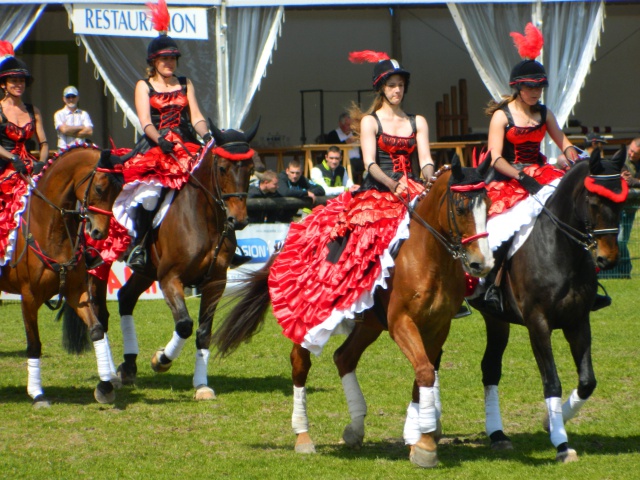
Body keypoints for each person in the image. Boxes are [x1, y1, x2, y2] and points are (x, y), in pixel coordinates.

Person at [267, 50, 435, 354]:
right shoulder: (371, 121)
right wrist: (392, 184)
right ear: (381, 88)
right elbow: (370, 164)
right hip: (379, 190)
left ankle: (449, 297)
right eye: (392, 85)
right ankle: (356, 301)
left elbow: (424, 160)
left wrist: (429, 176)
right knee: (363, 242)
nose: (397, 90)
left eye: (401, 85)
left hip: (411, 188)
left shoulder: (417, 121)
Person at [472, 23, 609, 312]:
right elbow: (495, 158)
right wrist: (521, 176)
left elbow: (565, 144)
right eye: (530, 87)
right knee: (499, 230)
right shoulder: (501, 116)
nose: (536, 92)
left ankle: (587, 283)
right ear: (518, 87)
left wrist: (580, 160)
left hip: (541, 172)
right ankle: (493, 288)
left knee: (576, 213)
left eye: (539, 87)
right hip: (508, 178)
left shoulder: (545, 113)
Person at [114, 0, 213, 271]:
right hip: (156, 146)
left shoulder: (185, 83)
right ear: (154, 62)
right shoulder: (143, 85)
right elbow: (145, 122)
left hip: (186, 143)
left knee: (214, 184)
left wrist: (208, 137)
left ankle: (223, 245)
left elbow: (197, 118)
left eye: (172, 58)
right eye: (164, 59)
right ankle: (140, 246)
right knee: (148, 195)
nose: (169, 63)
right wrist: (161, 141)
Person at [0, 40, 48, 266]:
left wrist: (42, 163)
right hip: (4, 166)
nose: (18, 84)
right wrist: (12, 158)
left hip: (29, 166)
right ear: (4, 84)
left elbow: (45, 143)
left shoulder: (33, 110)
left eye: (21, 81)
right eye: (14, 80)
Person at [602, 137, 640, 278]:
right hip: (616, 206)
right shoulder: (620, 157)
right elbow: (610, 172)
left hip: (630, 207)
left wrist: (634, 181)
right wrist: (620, 176)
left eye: (636, 154)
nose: (631, 155)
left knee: (622, 238)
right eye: (631, 151)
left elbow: (633, 181)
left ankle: (624, 269)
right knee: (616, 238)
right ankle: (622, 270)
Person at [324, 112, 364, 183]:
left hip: (359, 160)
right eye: (347, 125)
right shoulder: (333, 134)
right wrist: (345, 142)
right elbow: (331, 149)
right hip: (344, 161)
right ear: (340, 124)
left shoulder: (355, 133)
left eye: (351, 125)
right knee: (349, 168)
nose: (350, 127)